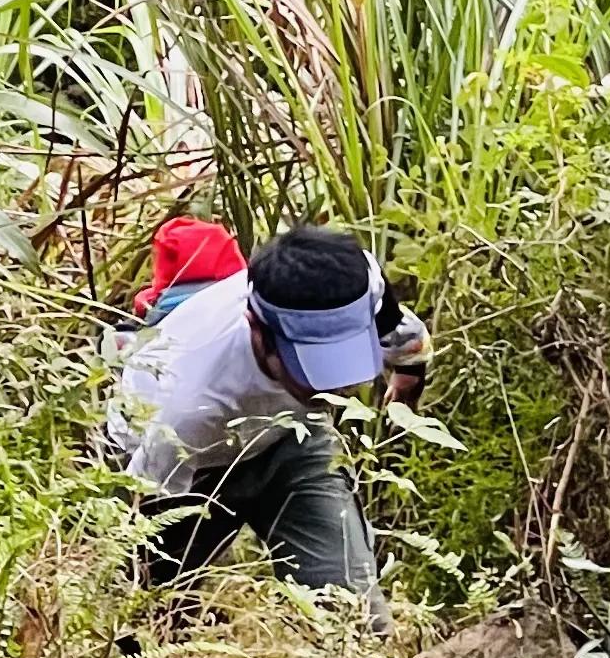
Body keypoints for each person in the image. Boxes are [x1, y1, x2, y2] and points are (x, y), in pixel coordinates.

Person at [107, 218, 430, 620]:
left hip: (288, 439)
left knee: (353, 616)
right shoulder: (185, 402)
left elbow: (394, 327)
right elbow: (145, 504)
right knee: (147, 610)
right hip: (190, 468)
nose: (334, 386)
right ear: (257, 329)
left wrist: (409, 373)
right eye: (312, 365)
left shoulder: (353, 281)